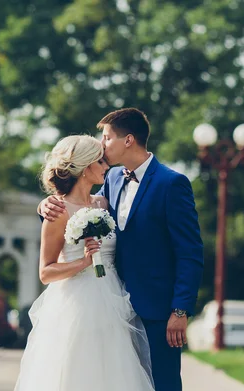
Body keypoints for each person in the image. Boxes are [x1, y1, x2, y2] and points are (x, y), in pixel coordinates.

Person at [39, 108, 204, 391]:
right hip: (112, 306)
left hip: (157, 310)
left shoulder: (172, 184)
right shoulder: (111, 181)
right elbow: (76, 210)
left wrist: (180, 310)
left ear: (128, 140)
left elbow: (190, 252)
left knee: (162, 384)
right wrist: (43, 206)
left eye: (106, 138)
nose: (101, 145)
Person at [15, 135, 155, 391]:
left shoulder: (103, 203)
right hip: (76, 304)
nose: (106, 167)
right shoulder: (58, 211)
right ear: (84, 166)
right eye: (100, 161)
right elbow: (45, 272)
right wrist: (84, 262)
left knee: (113, 373)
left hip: (113, 300)